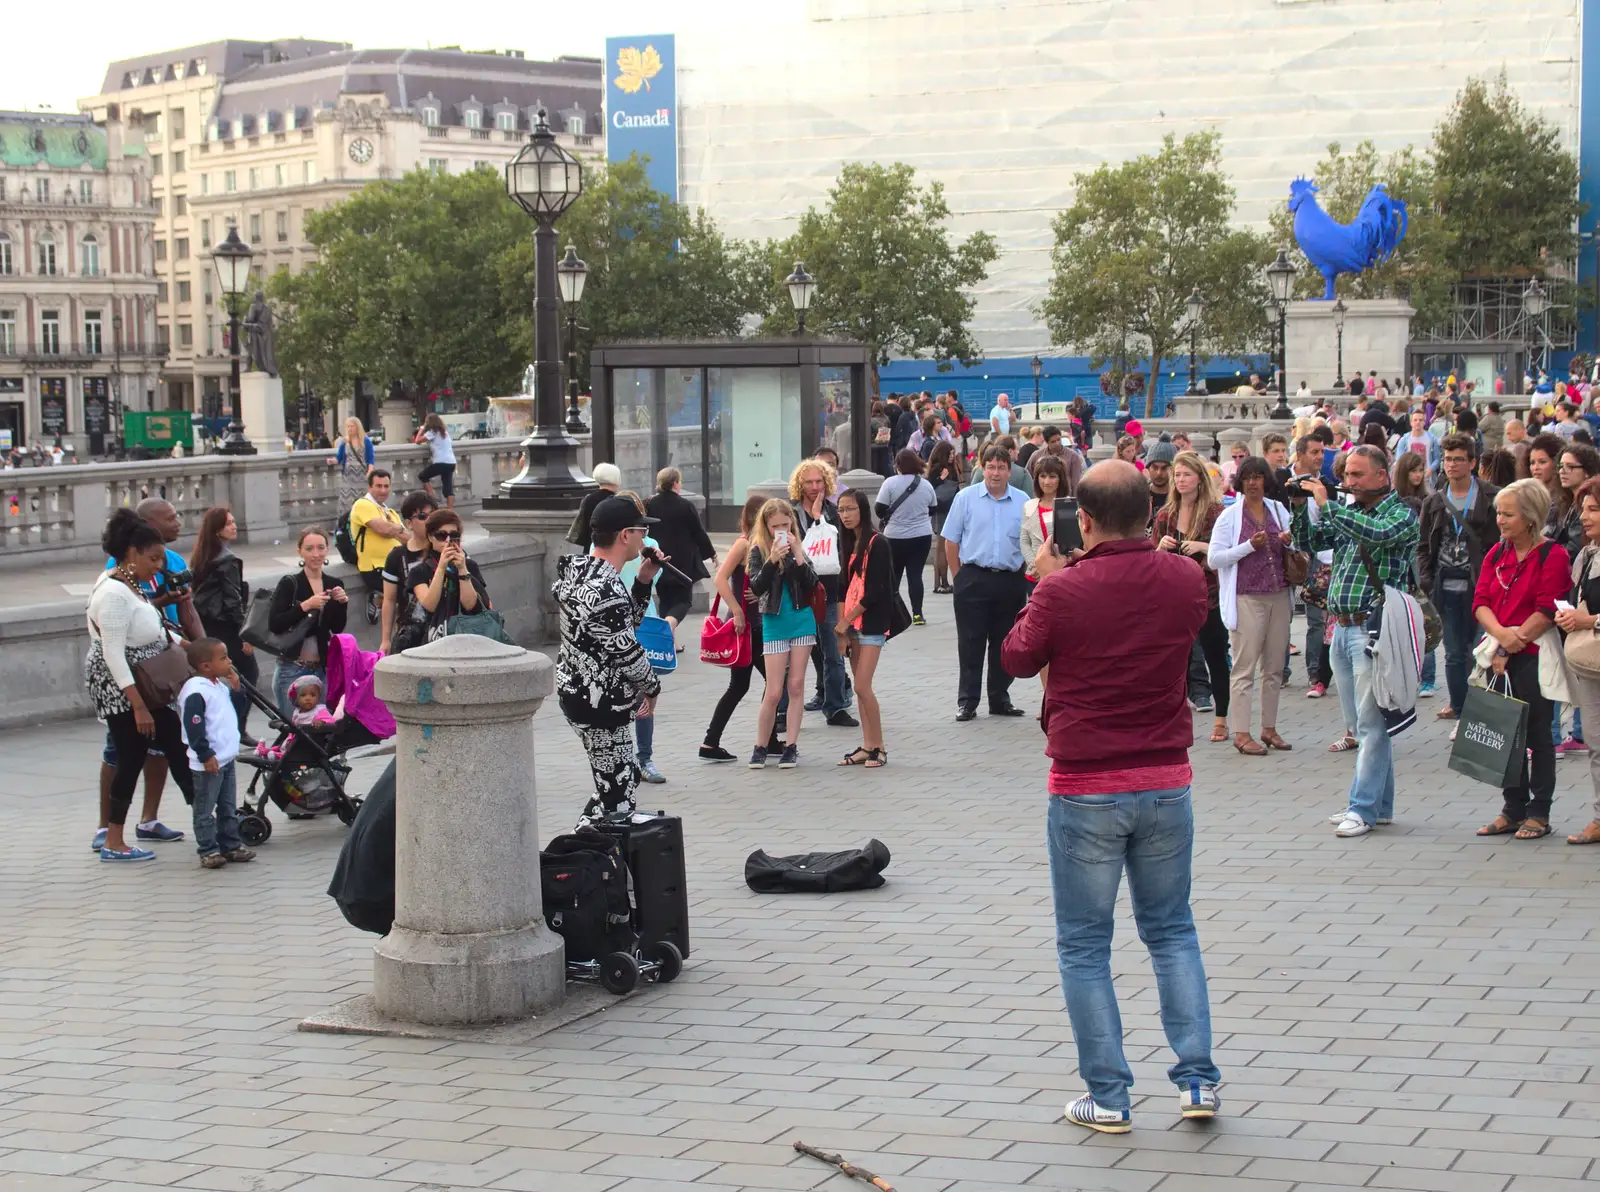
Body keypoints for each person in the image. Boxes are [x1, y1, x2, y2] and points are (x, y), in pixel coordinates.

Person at [1001, 459, 1220, 1134]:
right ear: (1150, 513)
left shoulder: (1063, 589)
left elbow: (1015, 659)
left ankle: (1110, 1095)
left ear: (1083, 521)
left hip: (1086, 783)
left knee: (1085, 945)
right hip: (1164, 776)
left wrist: (1045, 581)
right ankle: (1197, 1082)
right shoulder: (1185, 577)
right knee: (1173, 930)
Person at [1291, 445, 1420, 837]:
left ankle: (1361, 808)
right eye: (1346, 476)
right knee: (1361, 723)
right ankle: (1380, 807)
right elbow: (1311, 541)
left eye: (1357, 476)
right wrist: (1300, 506)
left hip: (1374, 629)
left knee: (1371, 722)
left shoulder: (1400, 515)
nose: (1349, 483)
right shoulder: (1353, 512)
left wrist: (1327, 503)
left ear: (1383, 476)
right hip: (1342, 628)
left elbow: (1377, 535)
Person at [85, 510, 199, 861]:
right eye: (152, 559)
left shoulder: (129, 584)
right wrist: (137, 705)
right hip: (126, 689)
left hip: (141, 684)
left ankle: (208, 814)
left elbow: (156, 628)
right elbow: (114, 655)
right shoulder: (114, 594)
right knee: (130, 756)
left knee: (177, 746)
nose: (157, 567)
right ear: (131, 553)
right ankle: (113, 841)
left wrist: (193, 652)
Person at [552, 496, 662, 820]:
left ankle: (580, 856)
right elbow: (628, 652)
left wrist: (643, 582)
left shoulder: (580, 574)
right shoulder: (606, 590)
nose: (645, 538)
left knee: (612, 787)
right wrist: (652, 688)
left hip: (576, 694)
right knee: (618, 800)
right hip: (601, 705)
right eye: (642, 531)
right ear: (625, 535)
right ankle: (584, 862)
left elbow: (620, 628)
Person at [1474, 479, 1569, 842]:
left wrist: (1512, 642)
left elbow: (1547, 607)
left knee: (1537, 734)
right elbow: (1480, 601)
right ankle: (1512, 808)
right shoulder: (1497, 554)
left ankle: (1539, 811)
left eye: (1508, 514)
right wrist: (1500, 638)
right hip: (1499, 651)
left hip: (1533, 654)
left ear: (1530, 517)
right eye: (1499, 512)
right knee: (1503, 732)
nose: (1500, 520)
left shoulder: (1553, 555)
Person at [1207, 457, 1292, 755]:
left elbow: (1291, 551)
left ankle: (1269, 728)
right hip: (1246, 596)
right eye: (1248, 477)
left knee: (1274, 667)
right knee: (1244, 668)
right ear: (1240, 481)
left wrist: (1288, 541)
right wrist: (1247, 547)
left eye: (1259, 477)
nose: (1254, 483)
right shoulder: (1229, 517)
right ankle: (1242, 733)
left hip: (1279, 593)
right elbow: (1214, 559)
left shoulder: (1279, 510)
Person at [943, 444, 1029, 721]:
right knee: (970, 642)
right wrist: (959, 577)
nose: (995, 472)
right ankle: (967, 701)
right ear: (981, 468)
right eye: (990, 466)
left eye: (1001, 467)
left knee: (1005, 642)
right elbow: (950, 540)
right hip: (973, 577)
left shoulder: (1022, 500)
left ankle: (1000, 698)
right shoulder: (966, 498)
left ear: (1009, 470)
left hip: (1009, 580)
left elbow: (1029, 541)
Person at [1418, 434, 1497, 721]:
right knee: (1453, 653)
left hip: (1480, 583)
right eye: (1448, 459)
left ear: (1472, 463)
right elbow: (1424, 545)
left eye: (1458, 459)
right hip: (1444, 583)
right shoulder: (1435, 501)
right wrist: (1426, 578)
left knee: (1480, 650)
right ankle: (1461, 711)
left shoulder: (1491, 496)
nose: (1452, 465)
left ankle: (1480, 712)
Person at [1156, 451, 1230, 746]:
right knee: (1174, 659)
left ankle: (1222, 717)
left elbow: (1226, 556)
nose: (1181, 480)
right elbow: (1151, 560)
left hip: (1208, 594)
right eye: (1178, 475)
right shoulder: (1165, 514)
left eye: (1187, 474)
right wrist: (1160, 546)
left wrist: (1202, 546)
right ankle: (1172, 717)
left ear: (1200, 477)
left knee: (1215, 655)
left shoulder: (1216, 512)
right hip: (1175, 597)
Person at [747, 499, 821, 769]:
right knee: (774, 690)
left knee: (797, 685)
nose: (781, 529)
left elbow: (812, 583)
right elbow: (756, 588)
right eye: (775, 525)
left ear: (791, 522)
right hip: (775, 622)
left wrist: (798, 554)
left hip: (802, 619)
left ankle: (791, 745)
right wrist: (772, 560)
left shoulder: (798, 547)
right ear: (766, 526)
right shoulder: (758, 550)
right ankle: (760, 745)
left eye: (785, 524)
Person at [700, 496, 772, 762]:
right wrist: (738, 611)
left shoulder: (765, 545)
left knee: (759, 684)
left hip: (757, 624)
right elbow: (720, 578)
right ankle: (711, 743)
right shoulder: (744, 543)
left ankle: (712, 742)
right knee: (768, 682)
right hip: (746, 626)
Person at [789, 458, 855, 726]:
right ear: (799, 485)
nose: (814, 487)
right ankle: (784, 710)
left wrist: (820, 518)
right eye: (809, 482)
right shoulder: (791, 512)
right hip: (797, 592)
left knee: (833, 651)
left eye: (819, 481)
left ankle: (836, 706)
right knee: (791, 655)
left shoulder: (834, 512)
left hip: (828, 590)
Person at [179, 638, 254, 870]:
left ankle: (231, 845)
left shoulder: (218, 687)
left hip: (226, 758)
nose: (229, 661)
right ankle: (208, 850)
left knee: (227, 806)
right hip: (209, 762)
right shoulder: (196, 691)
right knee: (205, 808)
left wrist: (237, 689)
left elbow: (233, 713)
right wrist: (205, 753)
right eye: (223, 658)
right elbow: (194, 726)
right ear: (205, 666)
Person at [834, 489, 894, 768]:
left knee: (861, 685)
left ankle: (879, 747)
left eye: (850, 509)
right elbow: (841, 588)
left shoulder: (877, 542)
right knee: (859, 689)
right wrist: (841, 629)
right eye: (841, 510)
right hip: (852, 625)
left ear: (862, 511)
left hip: (871, 623)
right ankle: (867, 744)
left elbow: (876, 592)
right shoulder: (847, 542)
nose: (845, 515)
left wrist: (847, 621)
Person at [1555, 475, 1600, 844]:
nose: (1585, 517)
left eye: (1594, 509)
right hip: (1591, 661)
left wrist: (1589, 620)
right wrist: (1567, 615)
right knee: (1598, 742)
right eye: (1583, 509)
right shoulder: (1586, 554)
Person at [189, 506, 257, 740]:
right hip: (228, 628)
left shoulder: (202, 555)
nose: (234, 526)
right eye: (228, 523)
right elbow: (232, 601)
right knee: (247, 675)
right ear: (217, 530)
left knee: (218, 677)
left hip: (209, 626)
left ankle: (223, 726)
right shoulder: (227, 560)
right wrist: (245, 635)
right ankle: (237, 728)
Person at [267, 527, 349, 720]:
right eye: (309, 548)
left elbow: (336, 628)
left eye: (321, 548)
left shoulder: (334, 582)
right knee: (293, 729)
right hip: (292, 667)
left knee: (320, 728)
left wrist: (342, 604)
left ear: (327, 550)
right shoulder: (290, 583)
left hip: (321, 669)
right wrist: (305, 606)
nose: (316, 554)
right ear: (300, 552)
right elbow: (275, 623)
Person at [645, 467, 717, 632]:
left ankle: (671, 643)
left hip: (659, 558)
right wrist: (711, 554)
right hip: (682, 561)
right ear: (676, 483)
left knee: (665, 600)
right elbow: (699, 532)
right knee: (684, 601)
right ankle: (667, 627)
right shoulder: (685, 505)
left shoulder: (650, 503)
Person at [876, 449, 938, 627]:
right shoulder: (925, 485)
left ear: (898, 465)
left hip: (894, 536)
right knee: (915, 574)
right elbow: (933, 508)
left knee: (893, 575)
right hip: (921, 536)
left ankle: (892, 612)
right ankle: (917, 613)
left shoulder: (890, 483)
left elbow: (879, 509)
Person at [407, 508, 487, 643]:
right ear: (430, 537)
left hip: (468, 638)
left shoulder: (470, 566)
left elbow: (471, 605)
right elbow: (430, 605)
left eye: (454, 535)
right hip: (435, 639)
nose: (448, 541)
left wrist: (462, 569)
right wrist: (442, 567)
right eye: (441, 535)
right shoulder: (419, 571)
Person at [379, 490, 437, 655]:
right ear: (409, 523)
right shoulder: (397, 556)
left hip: (440, 632)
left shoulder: (443, 551)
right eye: (422, 517)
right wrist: (385, 639)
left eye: (433, 515)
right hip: (410, 636)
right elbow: (389, 600)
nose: (429, 521)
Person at [349, 469, 406, 624]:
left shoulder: (390, 512)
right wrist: (397, 529)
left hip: (398, 565)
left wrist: (395, 530)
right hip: (375, 568)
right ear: (369, 488)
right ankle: (378, 598)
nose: (383, 490)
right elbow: (383, 529)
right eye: (378, 486)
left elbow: (408, 540)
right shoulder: (363, 504)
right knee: (407, 597)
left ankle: (380, 597)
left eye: (386, 486)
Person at [926, 441, 964, 595]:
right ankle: (941, 582)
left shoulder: (950, 468)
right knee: (942, 546)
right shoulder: (938, 469)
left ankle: (942, 582)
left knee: (944, 545)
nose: (952, 456)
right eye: (949, 453)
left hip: (947, 509)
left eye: (953, 453)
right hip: (942, 510)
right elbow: (930, 486)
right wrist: (941, 479)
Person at [567, 462, 623, 550]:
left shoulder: (588, 499)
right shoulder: (620, 500)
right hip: (613, 549)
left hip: (590, 547)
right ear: (616, 479)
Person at [329, 416, 375, 516]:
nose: (349, 429)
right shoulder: (345, 442)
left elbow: (370, 460)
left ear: (357, 427)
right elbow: (339, 458)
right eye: (348, 427)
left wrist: (369, 472)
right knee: (346, 503)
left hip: (362, 477)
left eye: (352, 426)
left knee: (361, 502)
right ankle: (344, 526)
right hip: (348, 478)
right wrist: (332, 460)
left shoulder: (365, 441)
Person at [413, 413, 457, 509]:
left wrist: (421, 429)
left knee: (423, 476)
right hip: (451, 463)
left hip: (440, 462)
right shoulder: (445, 432)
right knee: (448, 487)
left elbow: (417, 441)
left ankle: (431, 495)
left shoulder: (432, 432)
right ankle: (450, 510)